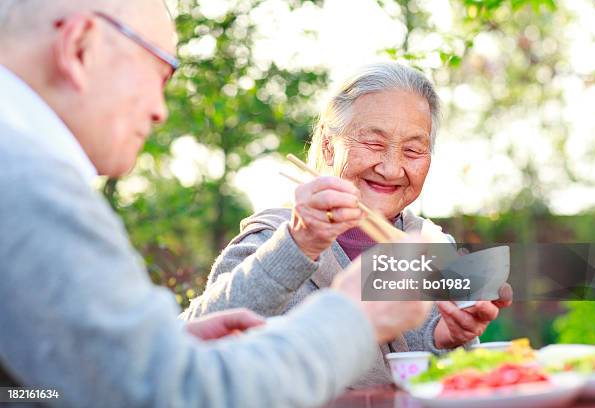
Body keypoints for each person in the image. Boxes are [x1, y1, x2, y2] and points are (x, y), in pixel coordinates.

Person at [0, 1, 433, 407]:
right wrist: (350, 318)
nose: (160, 111)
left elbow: (55, 386)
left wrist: (178, 343)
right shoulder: (30, 187)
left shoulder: (427, 241)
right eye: (160, 74)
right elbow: (172, 394)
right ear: (80, 48)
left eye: (414, 151)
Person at [181, 62, 513, 386]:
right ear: (328, 144)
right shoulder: (275, 237)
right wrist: (299, 244)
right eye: (374, 143)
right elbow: (189, 349)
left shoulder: (428, 245)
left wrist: (450, 338)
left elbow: (454, 381)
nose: (391, 168)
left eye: (413, 151)